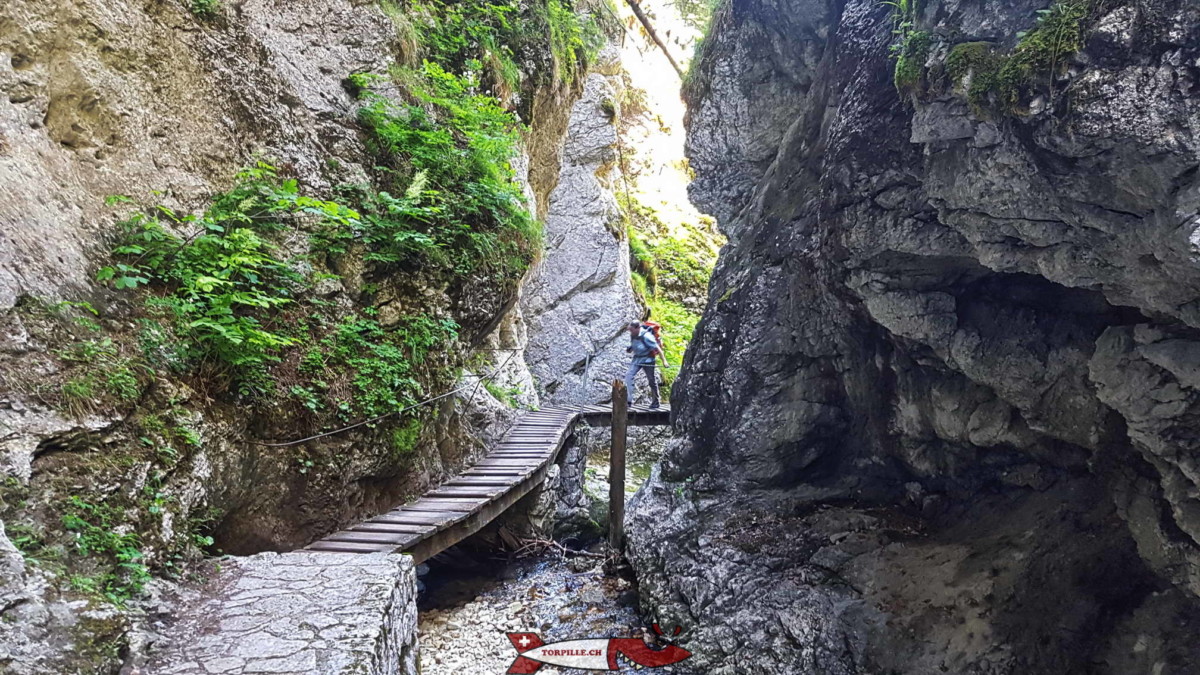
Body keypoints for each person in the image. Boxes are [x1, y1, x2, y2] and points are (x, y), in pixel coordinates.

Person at [624, 321, 661, 409]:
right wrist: (631, 348)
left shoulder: (647, 336)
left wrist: (664, 362)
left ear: (637, 328)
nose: (631, 332)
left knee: (651, 380)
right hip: (637, 359)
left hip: (648, 360)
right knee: (629, 375)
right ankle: (629, 400)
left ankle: (656, 401)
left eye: (632, 330)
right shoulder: (633, 334)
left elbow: (658, 348)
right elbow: (636, 344)